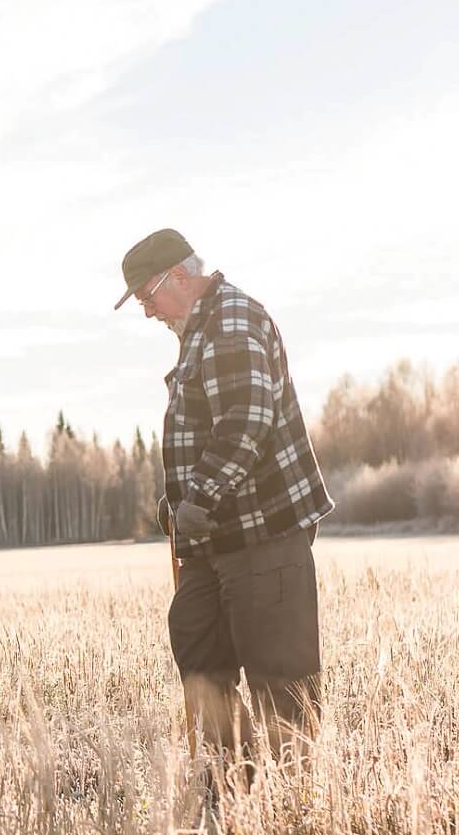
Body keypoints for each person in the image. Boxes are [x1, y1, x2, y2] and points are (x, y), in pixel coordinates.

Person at [115, 229, 333, 774]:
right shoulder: (201, 328)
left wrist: (201, 497)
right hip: (216, 535)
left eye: (146, 295)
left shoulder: (232, 321)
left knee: (279, 675)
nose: (146, 312)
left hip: (263, 533)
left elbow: (245, 421)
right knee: (196, 642)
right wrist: (180, 501)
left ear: (179, 277)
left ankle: (295, 798)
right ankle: (231, 778)